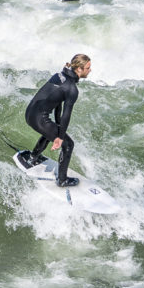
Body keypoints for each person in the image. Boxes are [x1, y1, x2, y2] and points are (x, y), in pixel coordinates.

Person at [17, 54, 92, 188]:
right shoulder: (72, 89)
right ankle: (62, 180)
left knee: (51, 130)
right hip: (39, 119)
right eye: (87, 68)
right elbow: (66, 114)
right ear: (79, 69)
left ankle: (32, 158)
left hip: (30, 113)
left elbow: (57, 102)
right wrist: (61, 138)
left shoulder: (60, 75)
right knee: (68, 145)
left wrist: (57, 128)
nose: (90, 70)